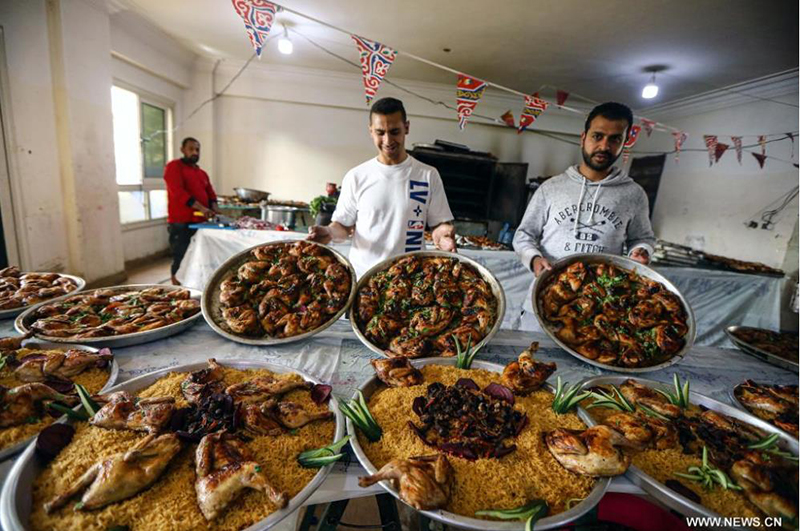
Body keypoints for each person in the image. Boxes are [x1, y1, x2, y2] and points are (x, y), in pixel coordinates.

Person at [513, 102, 656, 327]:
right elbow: (524, 235)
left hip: (600, 311)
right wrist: (534, 259)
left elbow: (643, 238)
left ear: (624, 143)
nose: (604, 146)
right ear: (583, 138)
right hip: (543, 300)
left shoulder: (633, 194)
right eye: (597, 136)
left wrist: (641, 251)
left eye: (615, 139)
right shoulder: (551, 187)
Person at [307, 97, 456, 277]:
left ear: (406, 128)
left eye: (394, 131)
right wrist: (329, 232)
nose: (387, 140)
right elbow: (343, 227)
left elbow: (439, 224)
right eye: (380, 132)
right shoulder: (357, 176)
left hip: (410, 280)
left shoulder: (428, 175)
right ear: (371, 131)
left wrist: (443, 235)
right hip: (364, 279)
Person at [164, 137, 219, 285]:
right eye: (191, 149)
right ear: (182, 150)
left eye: (197, 149)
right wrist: (202, 208)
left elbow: (211, 194)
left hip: (200, 224)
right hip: (181, 222)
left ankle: (193, 285)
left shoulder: (201, 173)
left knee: (196, 257)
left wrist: (214, 209)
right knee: (180, 257)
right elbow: (178, 193)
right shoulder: (174, 167)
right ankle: (176, 291)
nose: (195, 152)